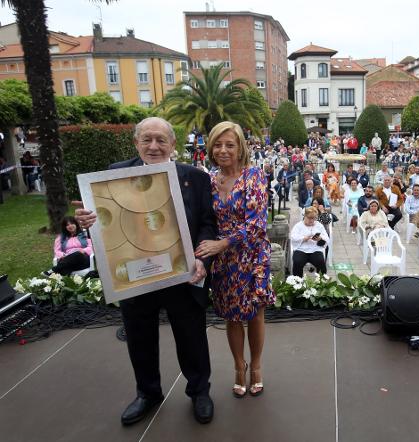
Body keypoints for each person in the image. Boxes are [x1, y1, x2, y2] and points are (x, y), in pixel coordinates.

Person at [75, 117, 216, 425]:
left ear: (173, 144)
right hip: (136, 275)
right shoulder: (113, 176)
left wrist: (202, 258)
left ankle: (199, 392)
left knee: (192, 337)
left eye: (161, 140)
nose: (154, 146)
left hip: (183, 275)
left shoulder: (195, 178)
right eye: (147, 139)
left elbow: (207, 223)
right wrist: (87, 220)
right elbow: (103, 221)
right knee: (139, 339)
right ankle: (148, 394)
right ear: (136, 143)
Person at [194, 121, 274, 400]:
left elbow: (257, 225)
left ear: (241, 147)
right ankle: (239, 367)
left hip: (252, 255)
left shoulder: (255, 176)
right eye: (218, 144)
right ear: (211, 148)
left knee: (255, 313)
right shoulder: (209, 180)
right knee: (231, 316)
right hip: (225, 261)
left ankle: (257, 367)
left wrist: (221, 243)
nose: (223, 149)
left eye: (230, 144)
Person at [290, 207, 329, 277]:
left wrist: (320, 238)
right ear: (305, 216)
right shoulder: (298, 226)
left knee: (320, 261)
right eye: (309, 218)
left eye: (313, 218)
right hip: (301, 249)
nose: (311, 220)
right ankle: (297, 282)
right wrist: (303, 238)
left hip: (315, 250)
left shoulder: (319, 225)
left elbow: (326, 237)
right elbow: (293, 237)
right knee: (297, 261)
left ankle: (321, 282)